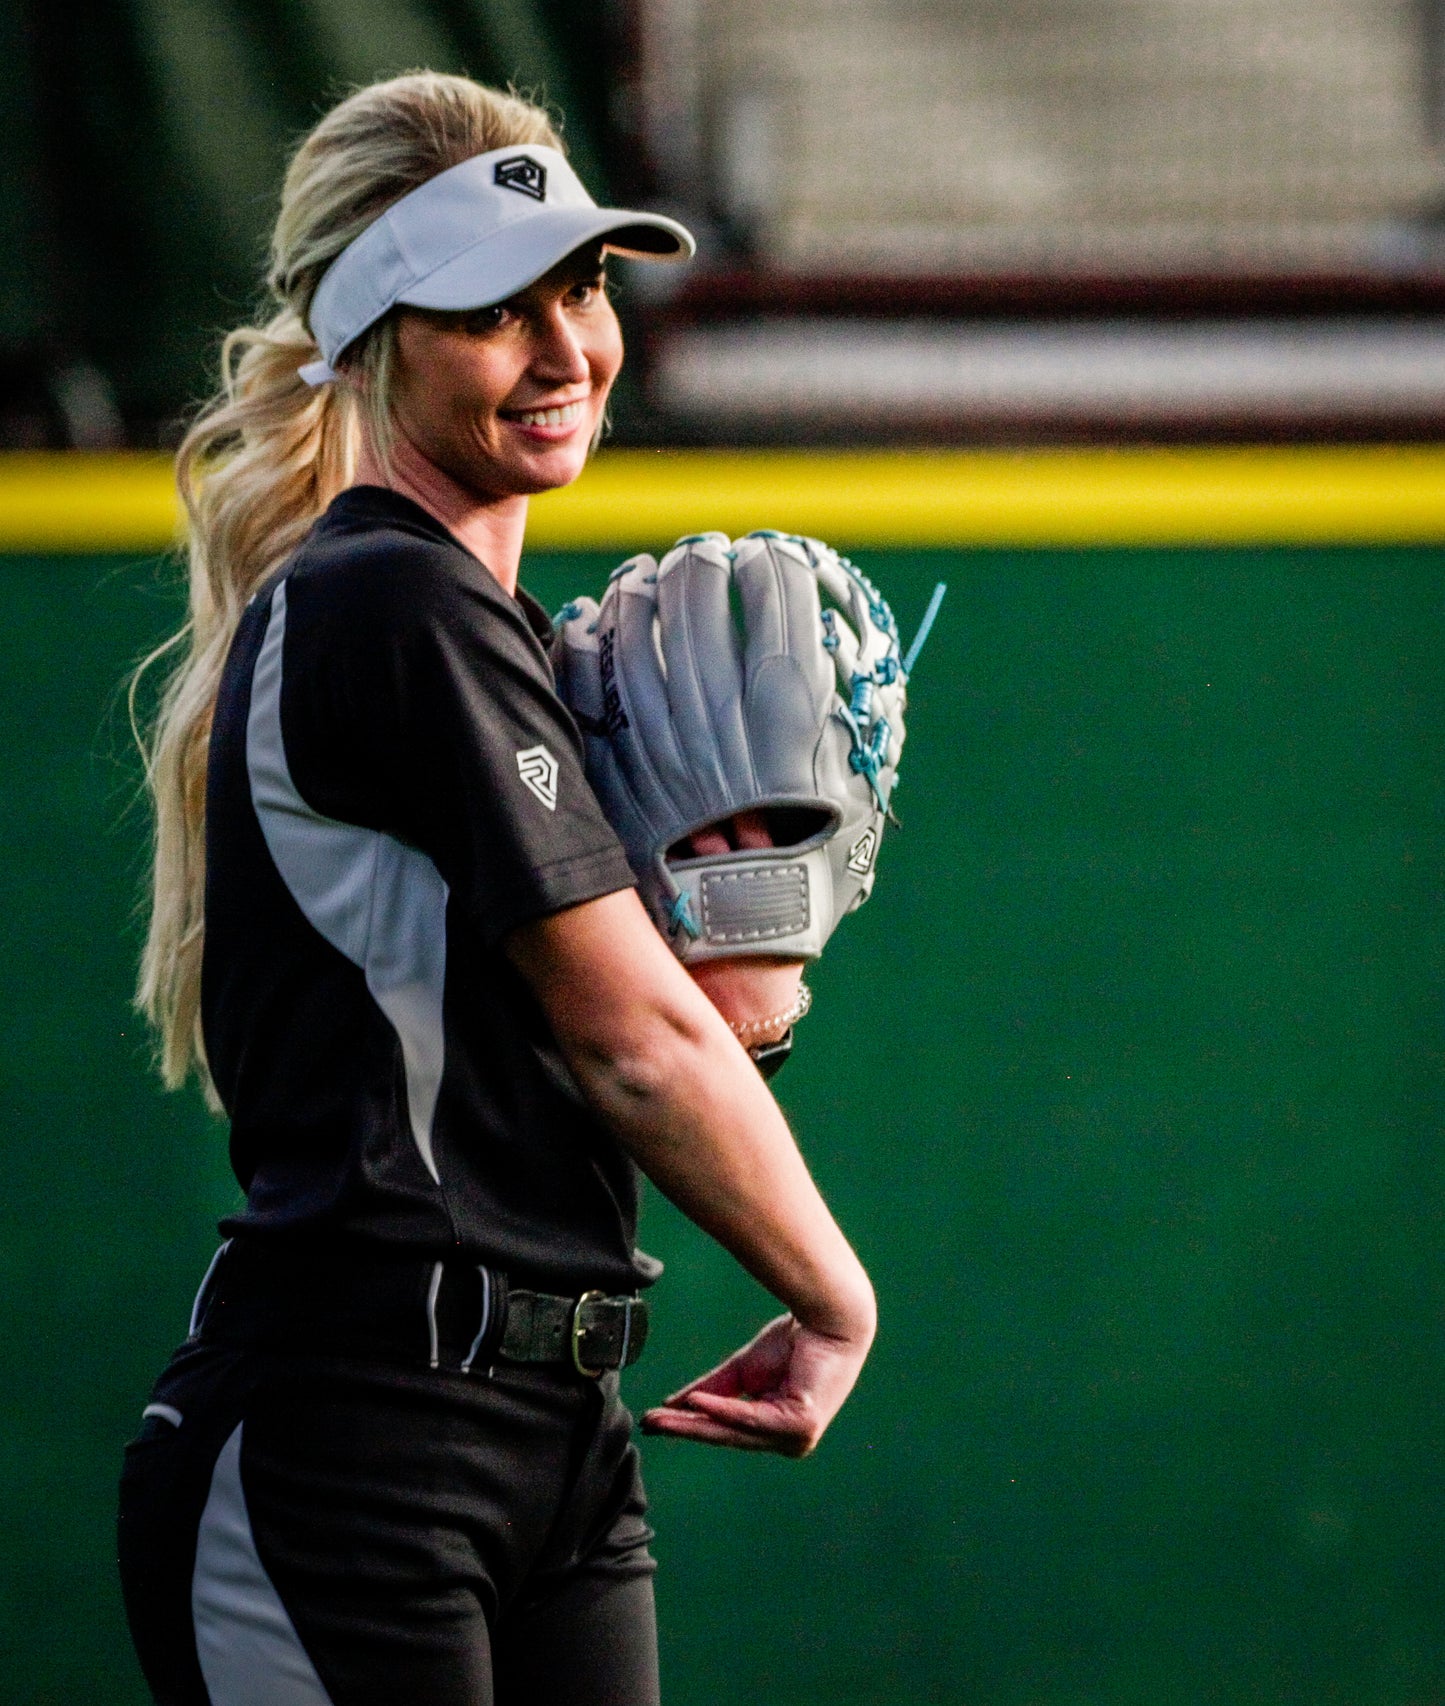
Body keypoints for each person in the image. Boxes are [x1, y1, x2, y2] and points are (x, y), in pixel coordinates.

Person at [118, 72, 875, 1706]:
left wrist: (745, 983)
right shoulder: (396, 601)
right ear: (377, 335)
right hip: (350, 1448)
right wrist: (829, 1295)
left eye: (583, 286)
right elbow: (632, 1050)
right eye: (489, 308)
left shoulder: (498, 640)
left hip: (556, 1435)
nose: (564, 349)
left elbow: (647, 1051)